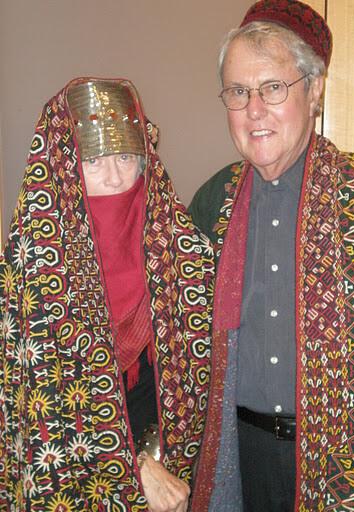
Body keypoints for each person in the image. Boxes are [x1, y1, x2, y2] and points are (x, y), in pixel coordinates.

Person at [189, 1, 354, 511]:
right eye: (237, 92)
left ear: (314, 89)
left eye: (273, 87)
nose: (254, 110)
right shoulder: (211, 205)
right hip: (237, 455)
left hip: (351, 463)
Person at [0, 77, 214, 511]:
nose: (116, 178)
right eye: (94, 162)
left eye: (125, 157)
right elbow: (44, 409)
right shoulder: (35, 265)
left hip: (171, 480)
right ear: (65, 169)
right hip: (68, 483)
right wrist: (134, 469)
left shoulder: (181, 252)